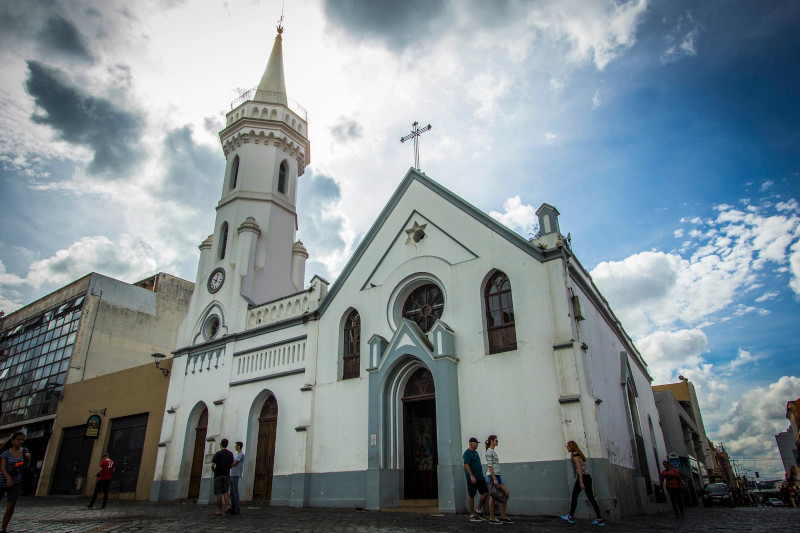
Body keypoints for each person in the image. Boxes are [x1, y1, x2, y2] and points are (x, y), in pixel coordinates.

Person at [560, 440, 605, 526]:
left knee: (574, 496)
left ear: (571, 447)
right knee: (591, 498)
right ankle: (599, 518)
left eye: (568, 446)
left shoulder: (575, 455)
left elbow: (579, 469)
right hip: (587, 477)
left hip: (583, 477)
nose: (567, 448)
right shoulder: (577, 454)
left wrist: (580, 482)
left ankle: (570, 516)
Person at [0, 431, 30, 533]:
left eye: (22, 440)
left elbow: (24, 468)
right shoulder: (6, 453)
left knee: (11, 504)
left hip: (16, 481)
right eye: (18, 439)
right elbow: (2, 468)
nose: (20, 441)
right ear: (13, 441)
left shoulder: (24, 452)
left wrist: (27, 460)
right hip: (2, 480)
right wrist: (8, 478)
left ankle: (3, 528)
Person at [484, 434, 512, 524]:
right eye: (496, 440)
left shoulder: (493, 451)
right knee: (493, 496)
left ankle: (503, 516)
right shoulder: (489, 452)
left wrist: (497, 478)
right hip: (492, 477)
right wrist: (494, 479)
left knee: (506, 494)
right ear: (492, 441)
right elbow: (490, 466)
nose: (497, 442)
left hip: (498, 476)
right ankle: (492, 518)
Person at [463, 437, 489, 521]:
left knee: (485, 492)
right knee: (471, 494)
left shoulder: (476, 453)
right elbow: (466, 464)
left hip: (480, 477)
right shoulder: (467, 453)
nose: (477, 445)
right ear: (471, 443)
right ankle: (472, 514)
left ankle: (478, 509)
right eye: (476, 443)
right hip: (472, 478)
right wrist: (471, 476)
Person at [211, 439, 235, 515]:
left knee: (219, 492)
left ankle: (219, 510)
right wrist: (228, 468)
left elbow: (213, 465)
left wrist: (214, 470)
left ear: (221, 444)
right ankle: (228, 506)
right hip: (226, 474)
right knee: (226, 491)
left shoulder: (218, 454)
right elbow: (232, 464)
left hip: (218, 474)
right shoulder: (230, 454)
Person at [229, 441, 244, 515]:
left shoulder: (240, 455)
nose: (235, 447)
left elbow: (235, 462)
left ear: (239, 446)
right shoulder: (237, 455)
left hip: (236, 475)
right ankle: (233, 506)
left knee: (235, 492)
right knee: (232, 492)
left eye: (236, 445)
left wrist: (229, 466)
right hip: (232, 474)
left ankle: (237, 508)